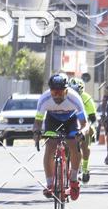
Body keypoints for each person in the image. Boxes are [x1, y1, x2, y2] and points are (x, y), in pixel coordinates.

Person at [33, 73, 88, 201]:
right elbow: (38, 122)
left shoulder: (75, 98)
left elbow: (85, 124)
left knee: (74, 145)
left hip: (71, 120)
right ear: (50, 91)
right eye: (53, 92)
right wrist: (36, 132)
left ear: (67, 90)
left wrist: (82, 132)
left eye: (60, 92)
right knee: (50, 147)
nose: (56, 96)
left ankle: (73, 179)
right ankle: (50, 183)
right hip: (52, 120)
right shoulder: (44, 99)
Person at [68, 77, 97, 183]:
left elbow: (92, 118)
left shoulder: (86, 98)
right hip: (71, 123)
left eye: (77, 91)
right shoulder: (66, 97)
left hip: (84, 123)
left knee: (85, 146)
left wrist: (88, 128)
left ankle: (85, 169)